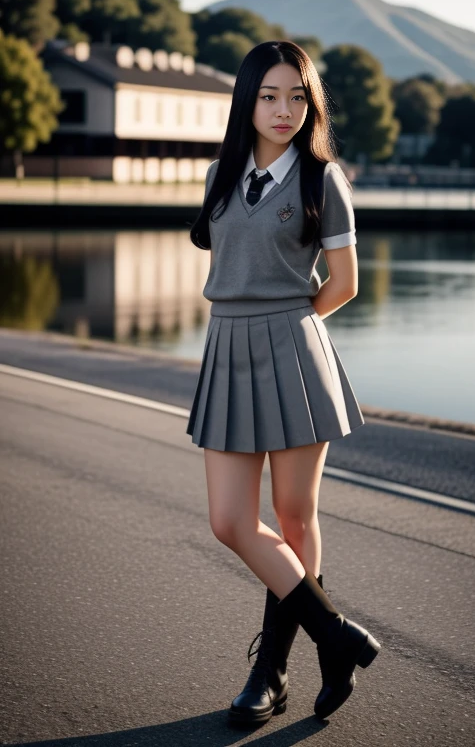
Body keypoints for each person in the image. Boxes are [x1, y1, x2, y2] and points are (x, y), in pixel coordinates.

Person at [187, 40, 380, 725]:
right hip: (226, 350)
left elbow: (347, 284)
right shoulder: (222, 173)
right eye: (269, 95)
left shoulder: (323, 178)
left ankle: (270, 673)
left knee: (295, 518)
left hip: (295, 351)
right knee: (229, 521)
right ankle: (338, 639)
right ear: (247, 100)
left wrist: (290, 325)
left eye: (298, 96)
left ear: (311, 103)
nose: (284, 109)